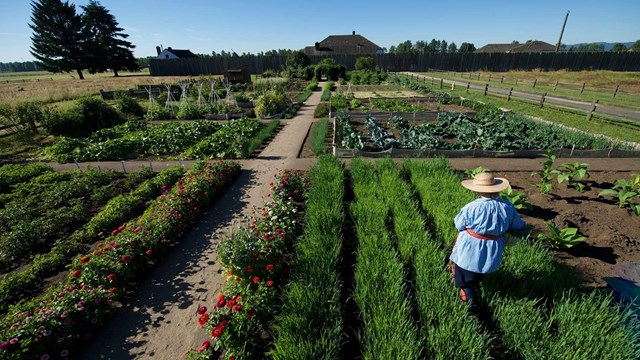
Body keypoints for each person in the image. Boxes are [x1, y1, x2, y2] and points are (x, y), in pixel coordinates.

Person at [449, 172, 527, 314]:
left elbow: (459, 224)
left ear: (477, 190)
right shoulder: (508, 206)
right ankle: (474, 285)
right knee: (482, 267)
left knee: (465, 274)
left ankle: (470, 304)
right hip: (493, 245)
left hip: (470, 245)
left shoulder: (471, 207)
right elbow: (517, 225)